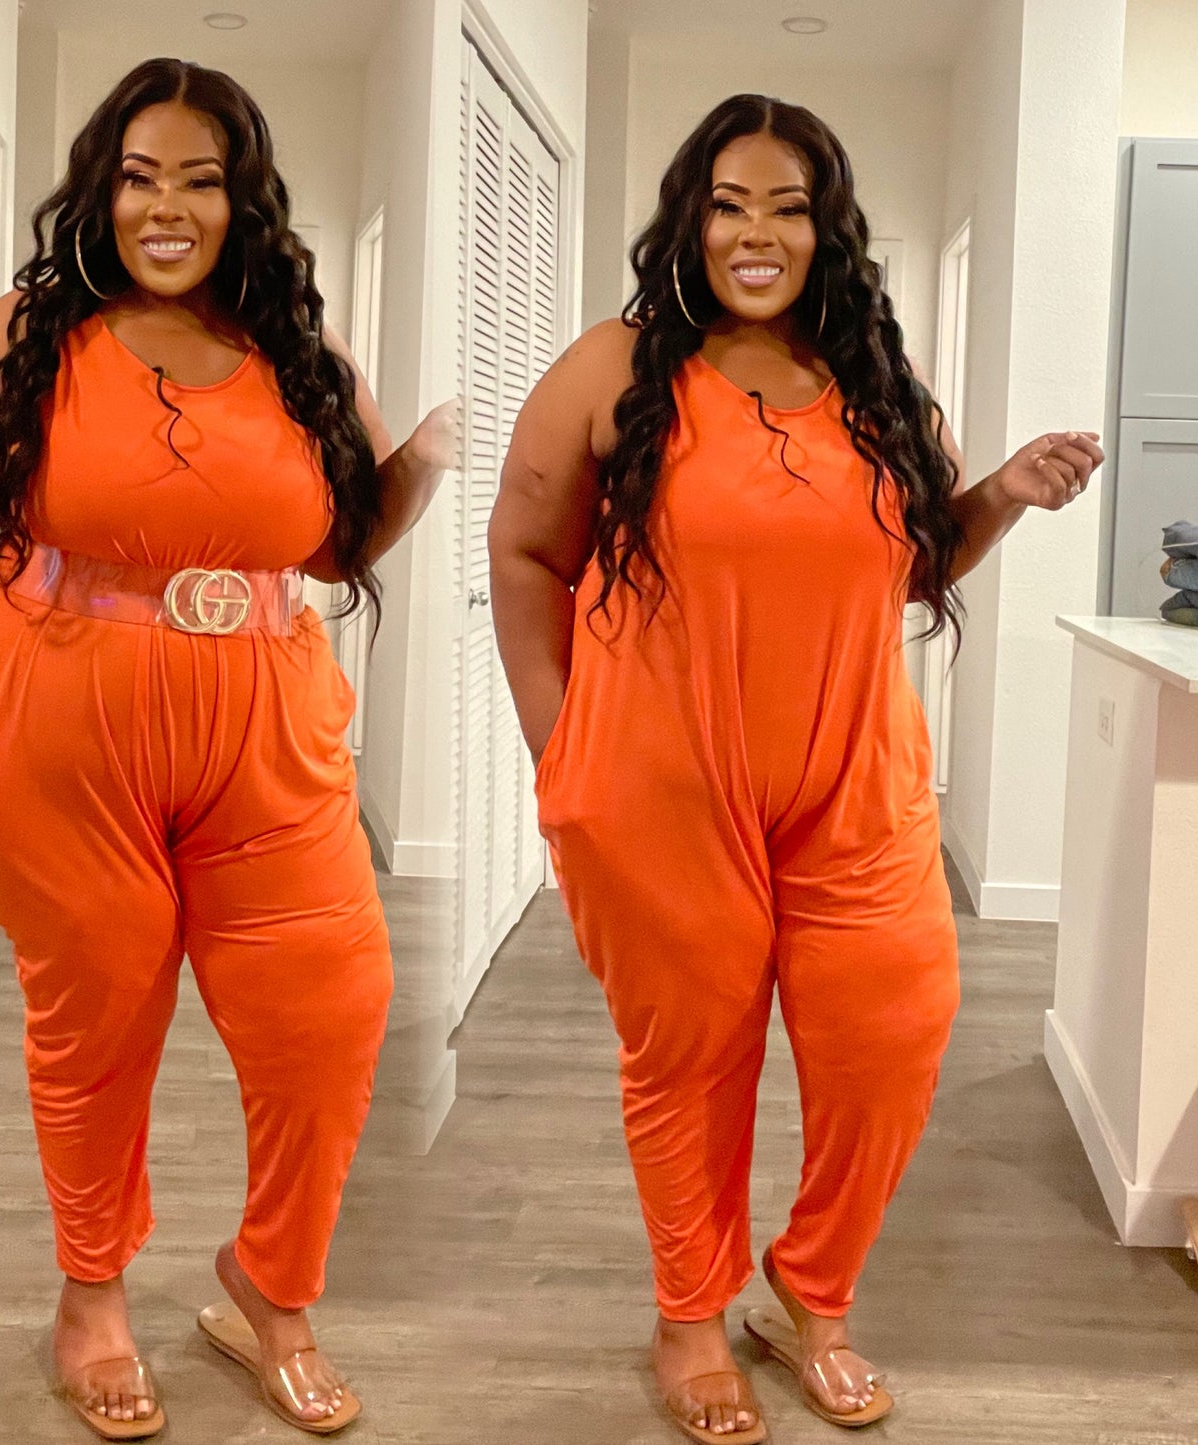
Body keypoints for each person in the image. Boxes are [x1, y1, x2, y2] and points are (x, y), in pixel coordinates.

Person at [489, 94, 1101, 1443]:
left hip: (854, 775)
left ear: (828, 231)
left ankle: (809, 1295)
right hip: (659, 782)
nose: (755, 233)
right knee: (691, 1061)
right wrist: (558, 745)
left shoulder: (879, 386)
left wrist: (999, 494)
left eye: (787, 207)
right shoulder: (613, 369)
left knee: (895, 1032)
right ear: (688, 222)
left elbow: (915, 561)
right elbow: (525, 552)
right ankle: (689, 1316)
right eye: (728, 204)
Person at [0, 58, 453, 1440]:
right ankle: (91, 1297)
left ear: (240, 200)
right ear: (100, 190)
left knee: (332, 1009)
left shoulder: (297, 351)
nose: (166, 206)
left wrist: (424, 472)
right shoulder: (31, 333)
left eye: (199, 180)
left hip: (267, 729)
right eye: (139, 176)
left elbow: (336, 545)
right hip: (62, 728)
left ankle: (272, 1287)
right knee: (96, 1026)